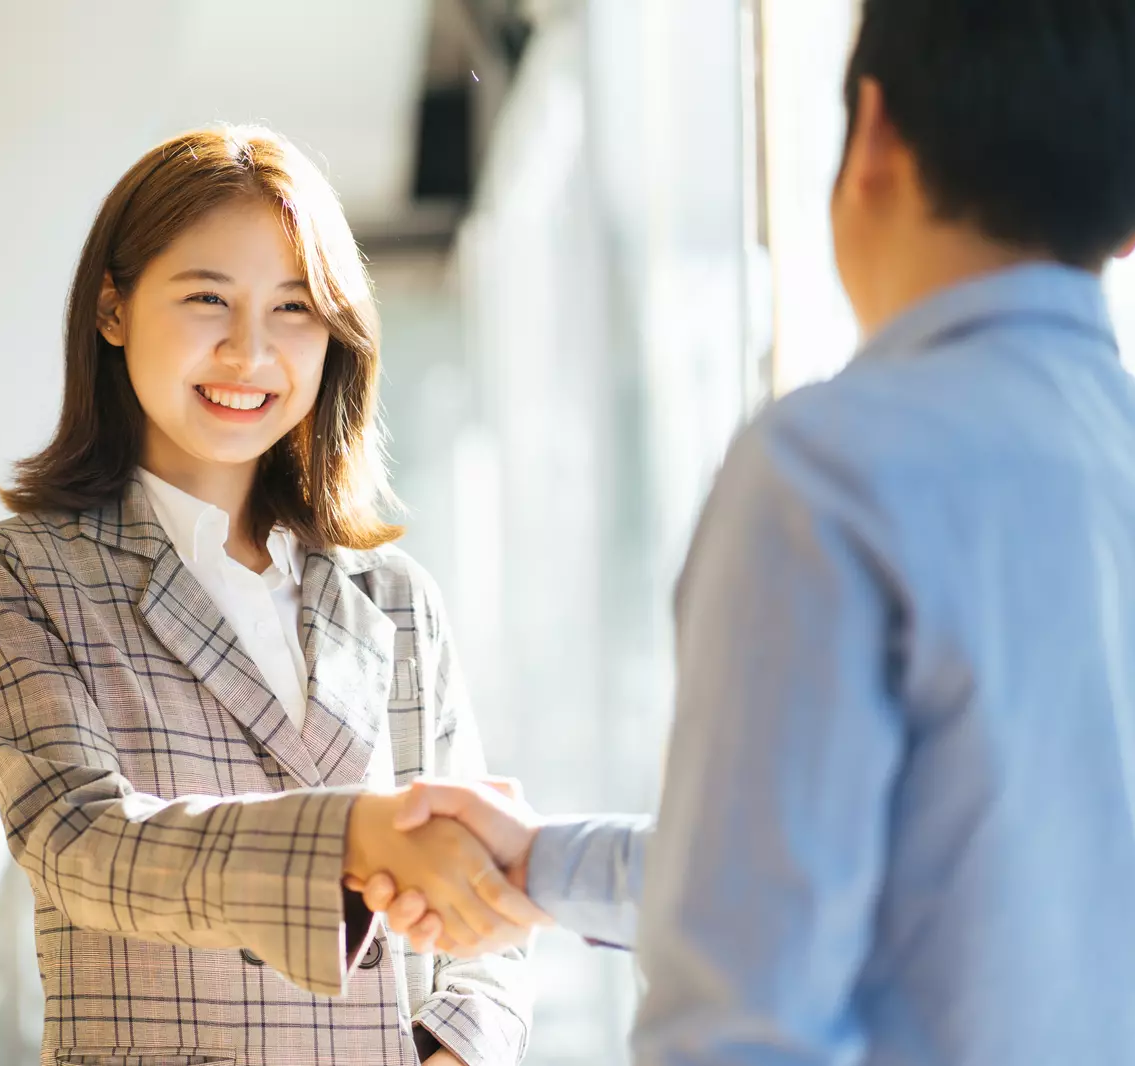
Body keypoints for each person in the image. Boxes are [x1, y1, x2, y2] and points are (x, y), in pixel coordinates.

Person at [359, 1, 1135, 1062]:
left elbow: (740, 1014)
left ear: (874, 136)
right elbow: (880, 870)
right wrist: (536, 863)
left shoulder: (833, 472)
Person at [0, 125, 546, 1066]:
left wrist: (455, 1048)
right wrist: (356, 835)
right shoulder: (22, 573)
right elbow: (80, 845)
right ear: (112, 308)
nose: (248, 351)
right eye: (205, 300)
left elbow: (490, 918)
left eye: (294, 309)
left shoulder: (393, 600)